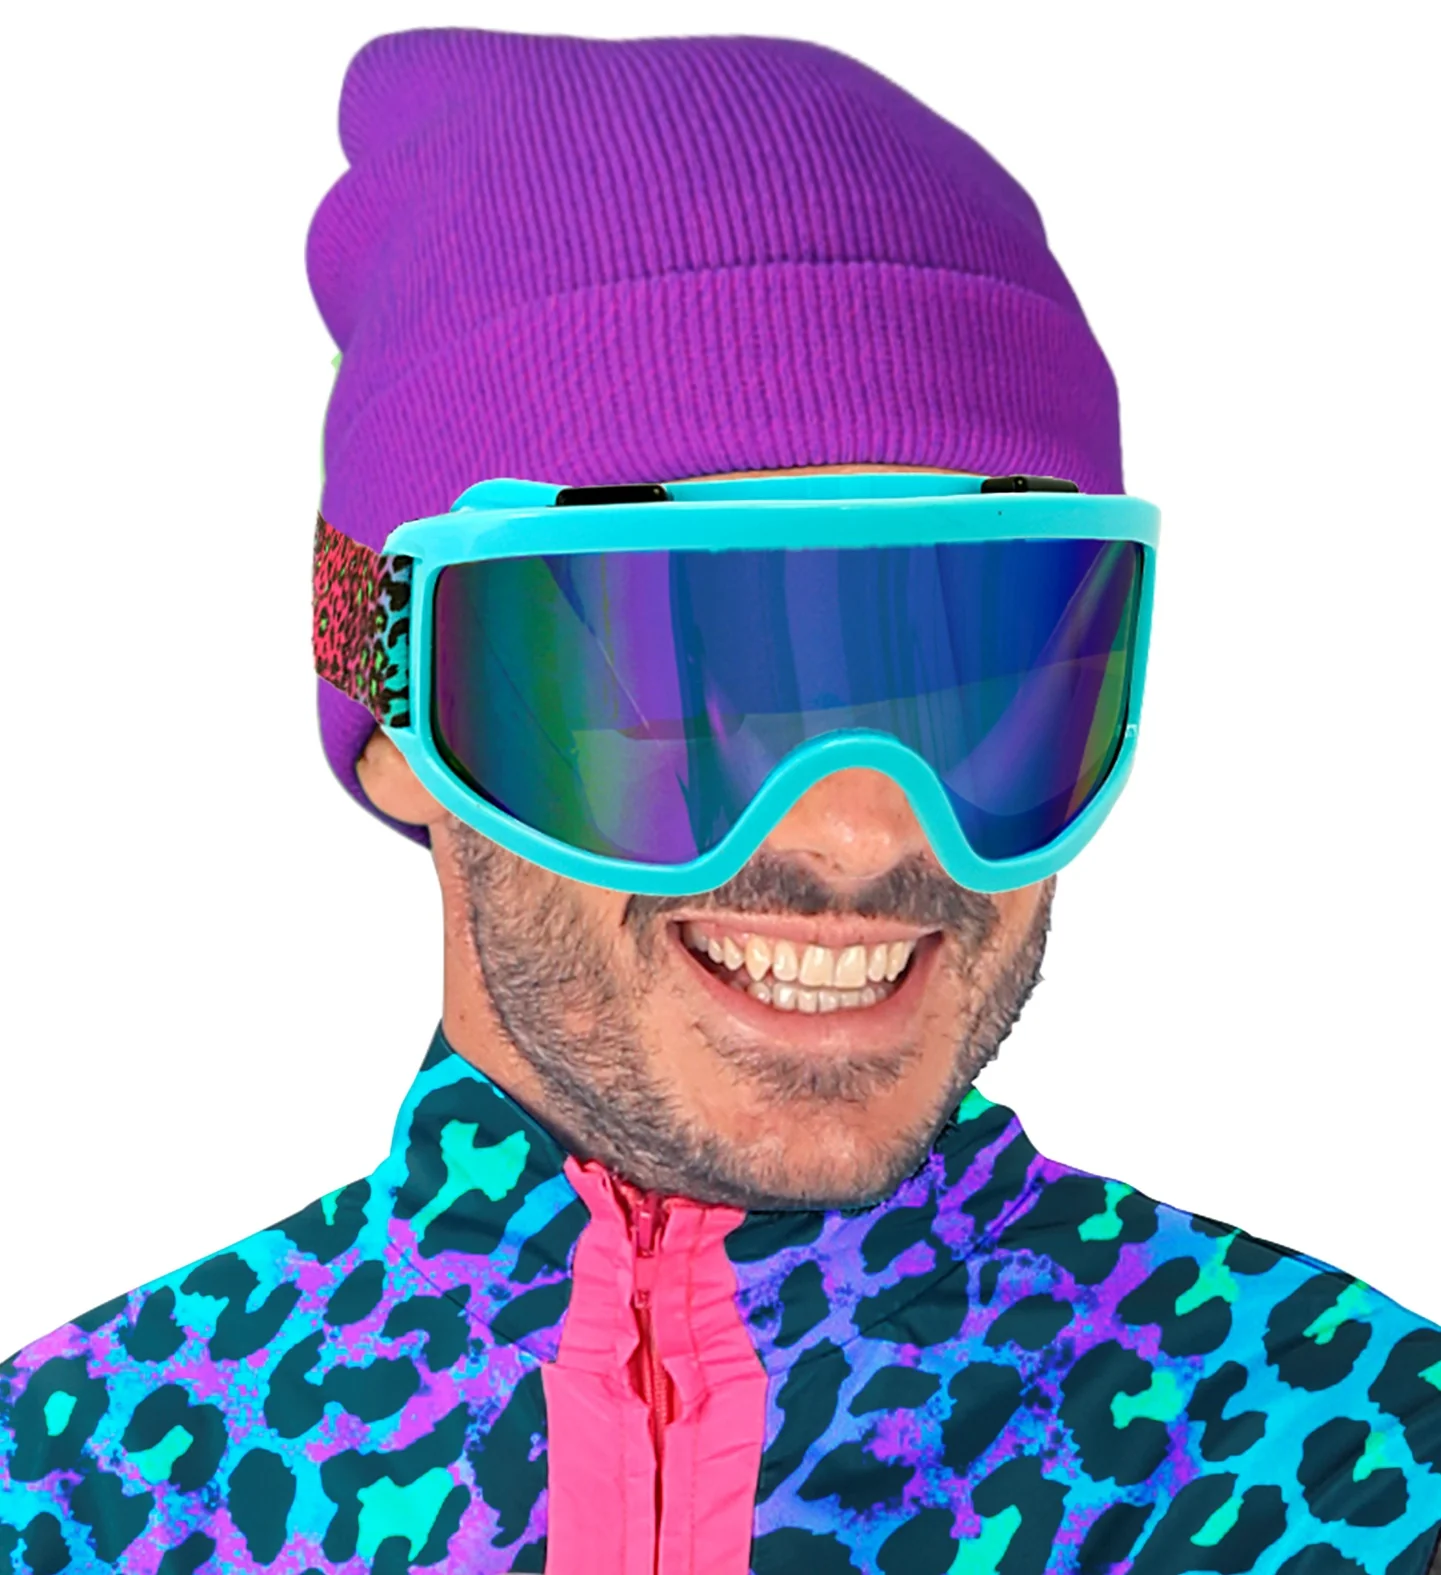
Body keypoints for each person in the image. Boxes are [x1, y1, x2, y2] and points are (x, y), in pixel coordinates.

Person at [2, 26, 1436, 1575]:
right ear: (399, 714)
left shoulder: (1353, 1467)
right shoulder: (77, 1496)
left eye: (976, 664)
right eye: (684, 676)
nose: (860, 831)